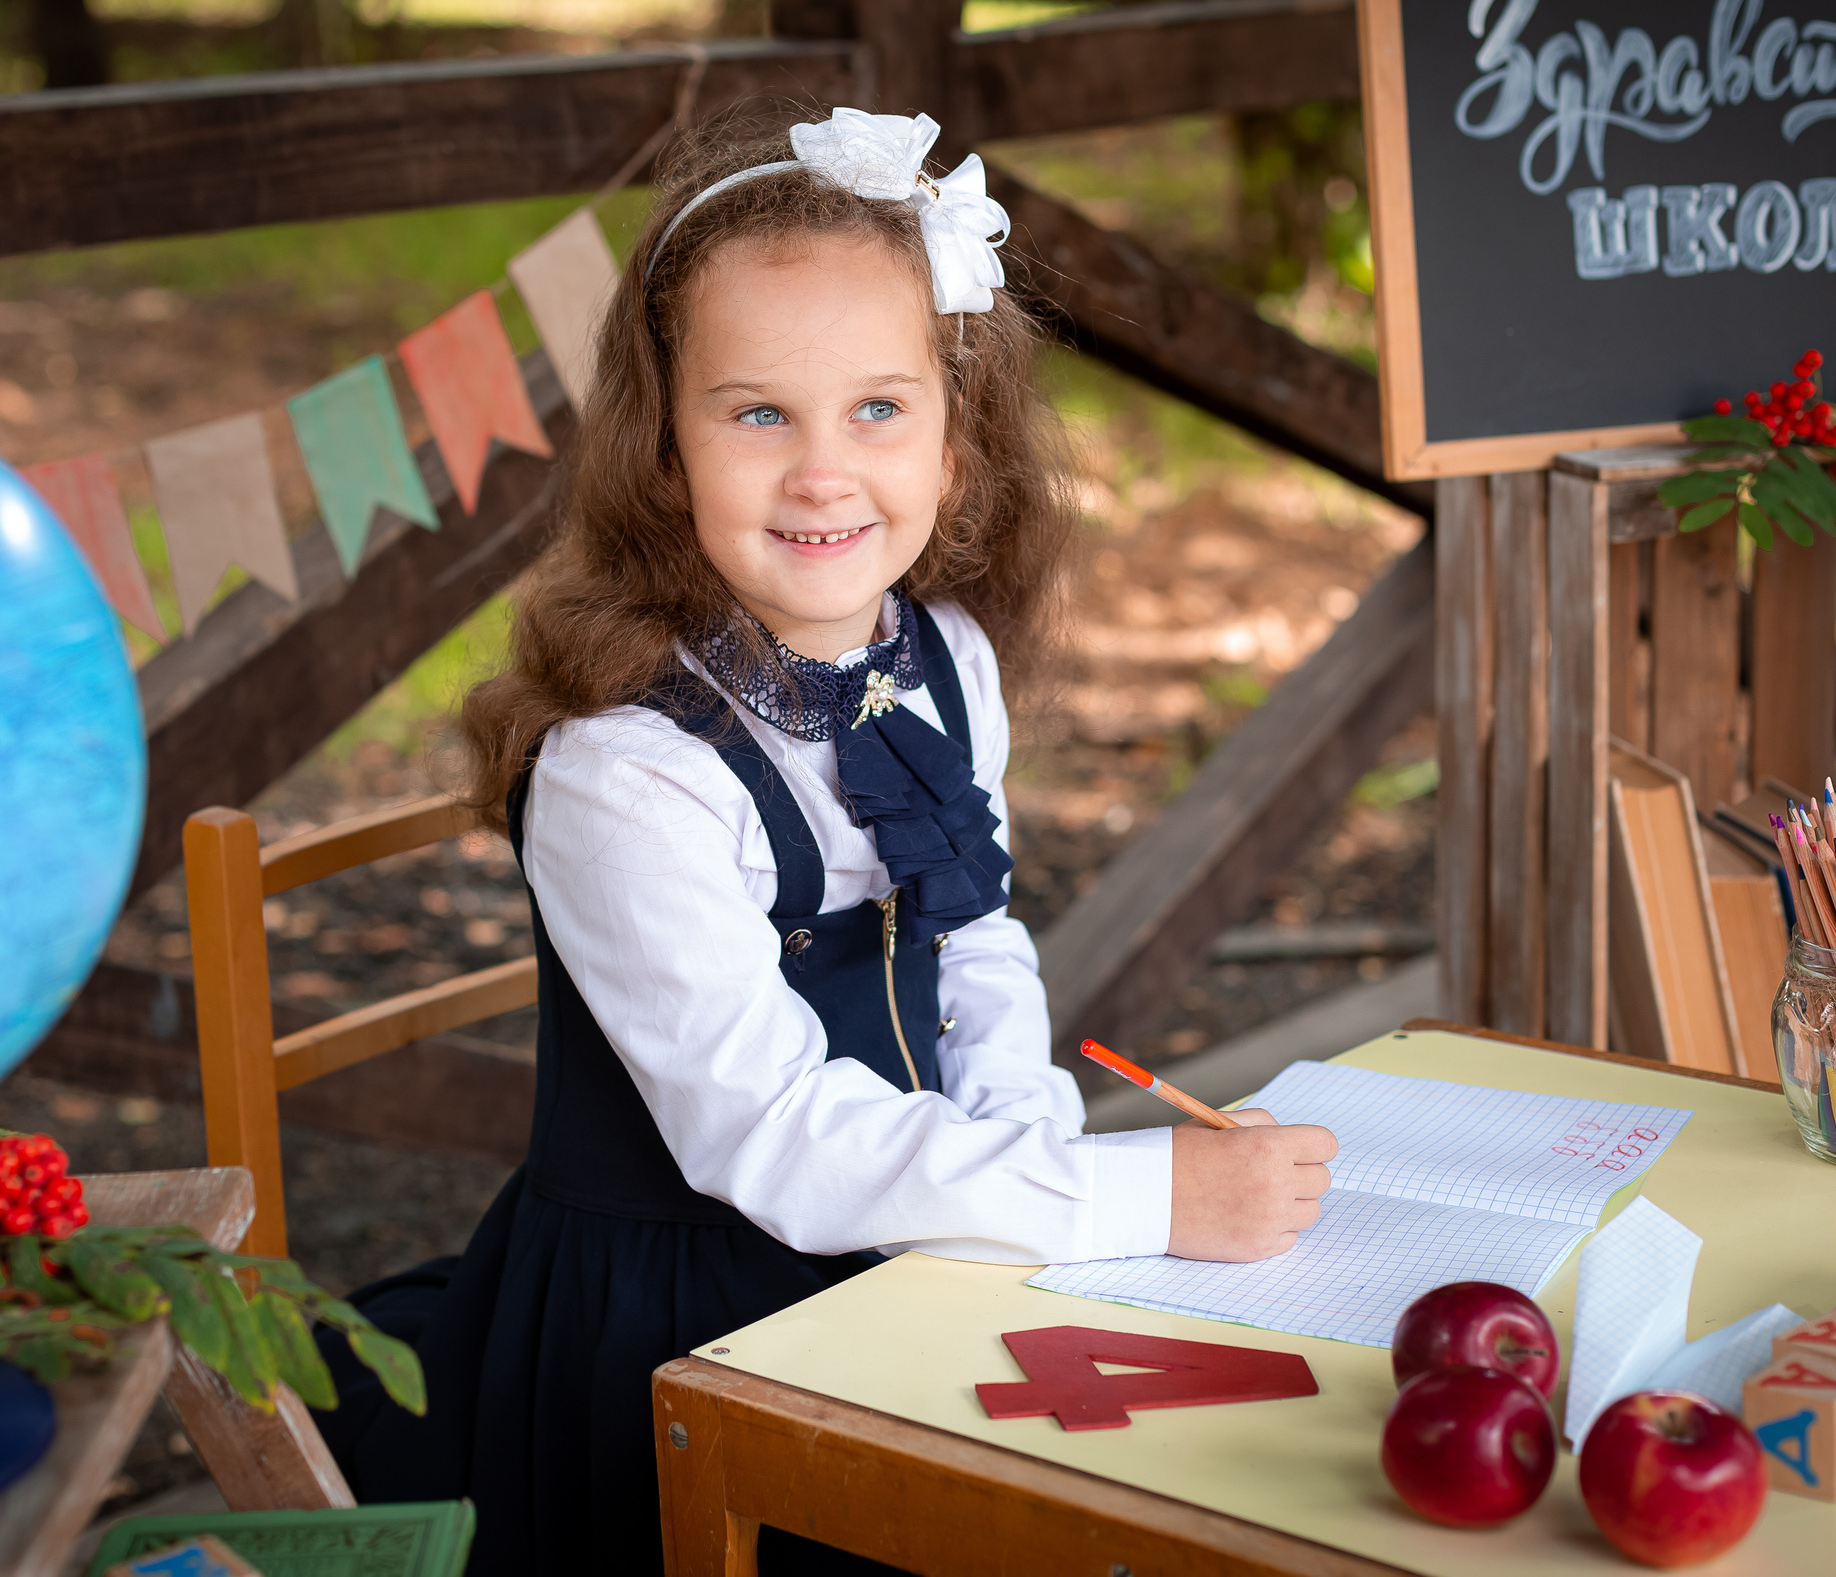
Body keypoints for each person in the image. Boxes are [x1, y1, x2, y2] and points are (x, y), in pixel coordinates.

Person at [313, 106, 1339, 1573]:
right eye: (756, 414)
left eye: (878, 409)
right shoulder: (628, 776)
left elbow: (973, 939)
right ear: (663, 450)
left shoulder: (944, 656)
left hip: (910, 1239)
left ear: (959, 445)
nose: (821, 471)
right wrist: (1137, 1195)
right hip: (685, 1324)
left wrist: (1041, 1174)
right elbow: (772, 1137)